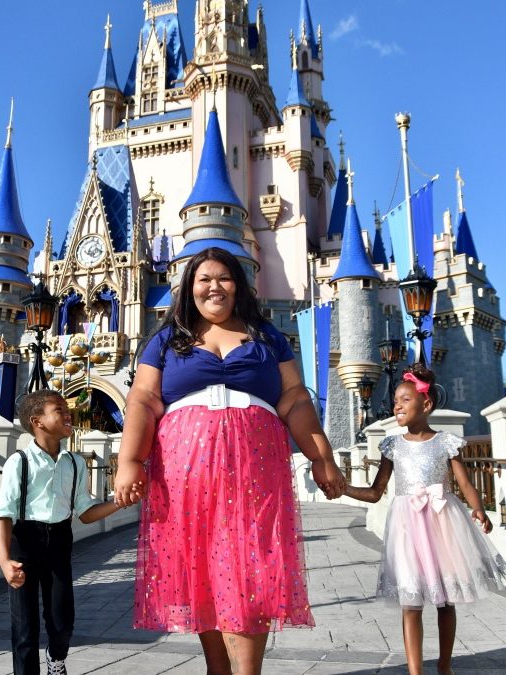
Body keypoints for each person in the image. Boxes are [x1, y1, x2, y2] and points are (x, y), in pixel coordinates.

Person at [114, 247, 345, 675]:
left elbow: (293, 398)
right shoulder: (167, 338)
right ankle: (217, 667)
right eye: (204, 279)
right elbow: (144, 398)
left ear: (238, 285)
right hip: (185, 467)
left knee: (252, 566)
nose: (214, 286)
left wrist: (320, 455)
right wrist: (130, 460)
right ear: (190, 288)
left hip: (256, 465)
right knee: (200, 566)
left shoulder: (266, 336)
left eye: (223, 278)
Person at [343, 364, 506, 675]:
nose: (397, 405)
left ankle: (444, 666)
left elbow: (464, 483)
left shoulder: (445, 442)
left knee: (446, 601)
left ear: (426, 404)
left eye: (405, 399)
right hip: (407, 528)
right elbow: (376, 491)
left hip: (442, 524)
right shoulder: (392, 445)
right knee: (411, 601)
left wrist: (479, 509)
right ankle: (415, 670)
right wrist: (343, 488)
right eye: (395, 400)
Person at [0, 390, 126, 675]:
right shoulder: (20, 462)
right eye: (60, 410)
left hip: (59, 543)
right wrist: (5, 561)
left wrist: (118, 502)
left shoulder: (75, 463)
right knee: (25, 628)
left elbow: (86, 513)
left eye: (67, 409)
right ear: (37, 421)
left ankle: (56, 660)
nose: (69, 415)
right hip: (25, 544)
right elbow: (4, 514)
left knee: (62, 620)